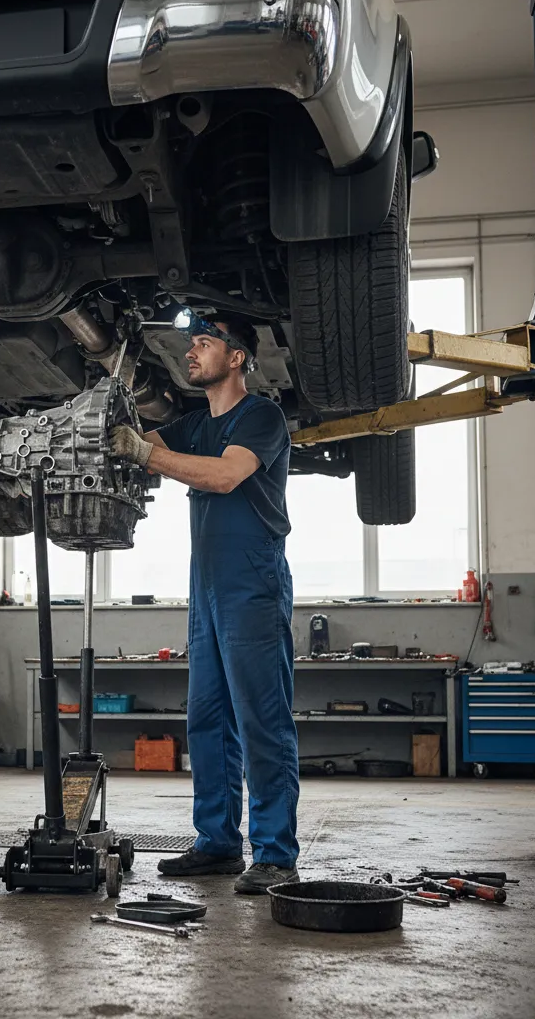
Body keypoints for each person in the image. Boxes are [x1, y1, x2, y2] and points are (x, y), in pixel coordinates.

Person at [111, 316, 300, 894]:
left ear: (237, 357)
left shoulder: (260, 417)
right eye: (190, 343)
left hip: (253, 585)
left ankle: (274, 853)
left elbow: (223, 476)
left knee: (261, 718)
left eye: (203, 343)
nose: (190, 352)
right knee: (208, 718)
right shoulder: (196, 424)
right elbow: (155, 447)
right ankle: (217, 842)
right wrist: (113, 421)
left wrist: (144, 454)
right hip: (207, 589)